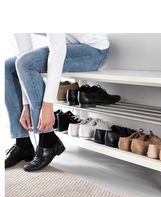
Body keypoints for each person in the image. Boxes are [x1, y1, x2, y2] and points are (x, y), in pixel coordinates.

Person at [5, 33, 109, 171]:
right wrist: (26, 104)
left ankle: (48, 141)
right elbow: (23, 52)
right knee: (7, 67)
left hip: (95, 51)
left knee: (26, 63)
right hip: (70, 46)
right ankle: (23, 143)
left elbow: (57, 53)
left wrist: (48, 105)